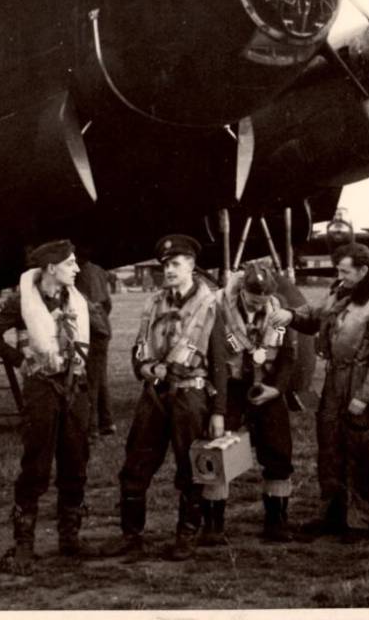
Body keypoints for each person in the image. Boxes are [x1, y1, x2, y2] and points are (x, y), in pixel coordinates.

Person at [0, 239, 95, 574]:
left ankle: (70, 538)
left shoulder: (77, 300)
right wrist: (18, 357)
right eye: (70, 263)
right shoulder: (21, 301)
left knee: (76, 460)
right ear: (51, 268)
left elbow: (99, 331)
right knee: (36, 466)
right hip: (41, 389)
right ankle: (24, 543)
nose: (77, 269)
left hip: (75, 388)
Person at [100, 234, 220, 561]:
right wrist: (145, 368)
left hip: (191, 395)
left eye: (176, 264)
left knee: (191, 467)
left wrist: (219, 410)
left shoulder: (211, 304)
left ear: (192, 266)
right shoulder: (153, 302)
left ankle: (187, 535)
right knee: (135, 465)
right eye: (165, 265)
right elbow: (139, 346)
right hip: (154, 395)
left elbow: (221, 361)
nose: (168, 270)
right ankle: (131, 536)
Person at [270, 242, 369, 540]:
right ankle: (332, 512)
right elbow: (319, 314)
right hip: (334, 382)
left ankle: (363, 518)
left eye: (345, 271)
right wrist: (291, 315)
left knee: (361, 450)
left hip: (360, 381)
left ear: (364, 271)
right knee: (329, 448)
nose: (340, 276)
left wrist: (364, 397)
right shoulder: (341, 292)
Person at [202, 263, 296, 545]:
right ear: (242, 289)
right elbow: (213, 356)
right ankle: (213, 525)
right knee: (217, 451)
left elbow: (288, 355)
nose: (259, 304)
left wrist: (276, 389)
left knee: (279, 451)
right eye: (253, 299)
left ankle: (276, 521)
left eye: (264, 299)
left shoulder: (279, 308)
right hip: (229, 388)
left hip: (266, 388)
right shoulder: (218, 306)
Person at [75, 248, 115, 438]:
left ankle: (91, 426)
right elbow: (108, 303)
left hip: (90, 331)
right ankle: (106, 422)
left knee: (90, 380)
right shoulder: (99, 270)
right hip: (103, 329)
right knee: (100, 378)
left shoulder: (78, 274)